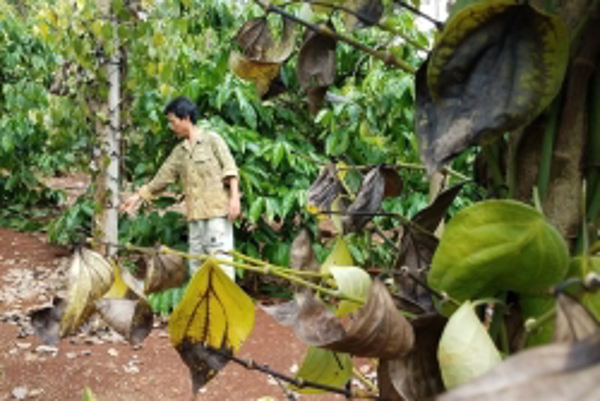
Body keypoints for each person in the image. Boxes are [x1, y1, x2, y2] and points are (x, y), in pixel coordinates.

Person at [121, 96, 240, 280]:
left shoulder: (212, 140)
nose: (172, 126)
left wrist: (235, 199)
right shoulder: (180, 151)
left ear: (186, 118)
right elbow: (162, 178)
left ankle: (225, 307)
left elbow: (230, 169)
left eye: (173, 121)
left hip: (216, 214)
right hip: (194, 217)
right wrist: (137, 197)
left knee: (221, 264)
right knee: (196, 265)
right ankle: (202, 306)